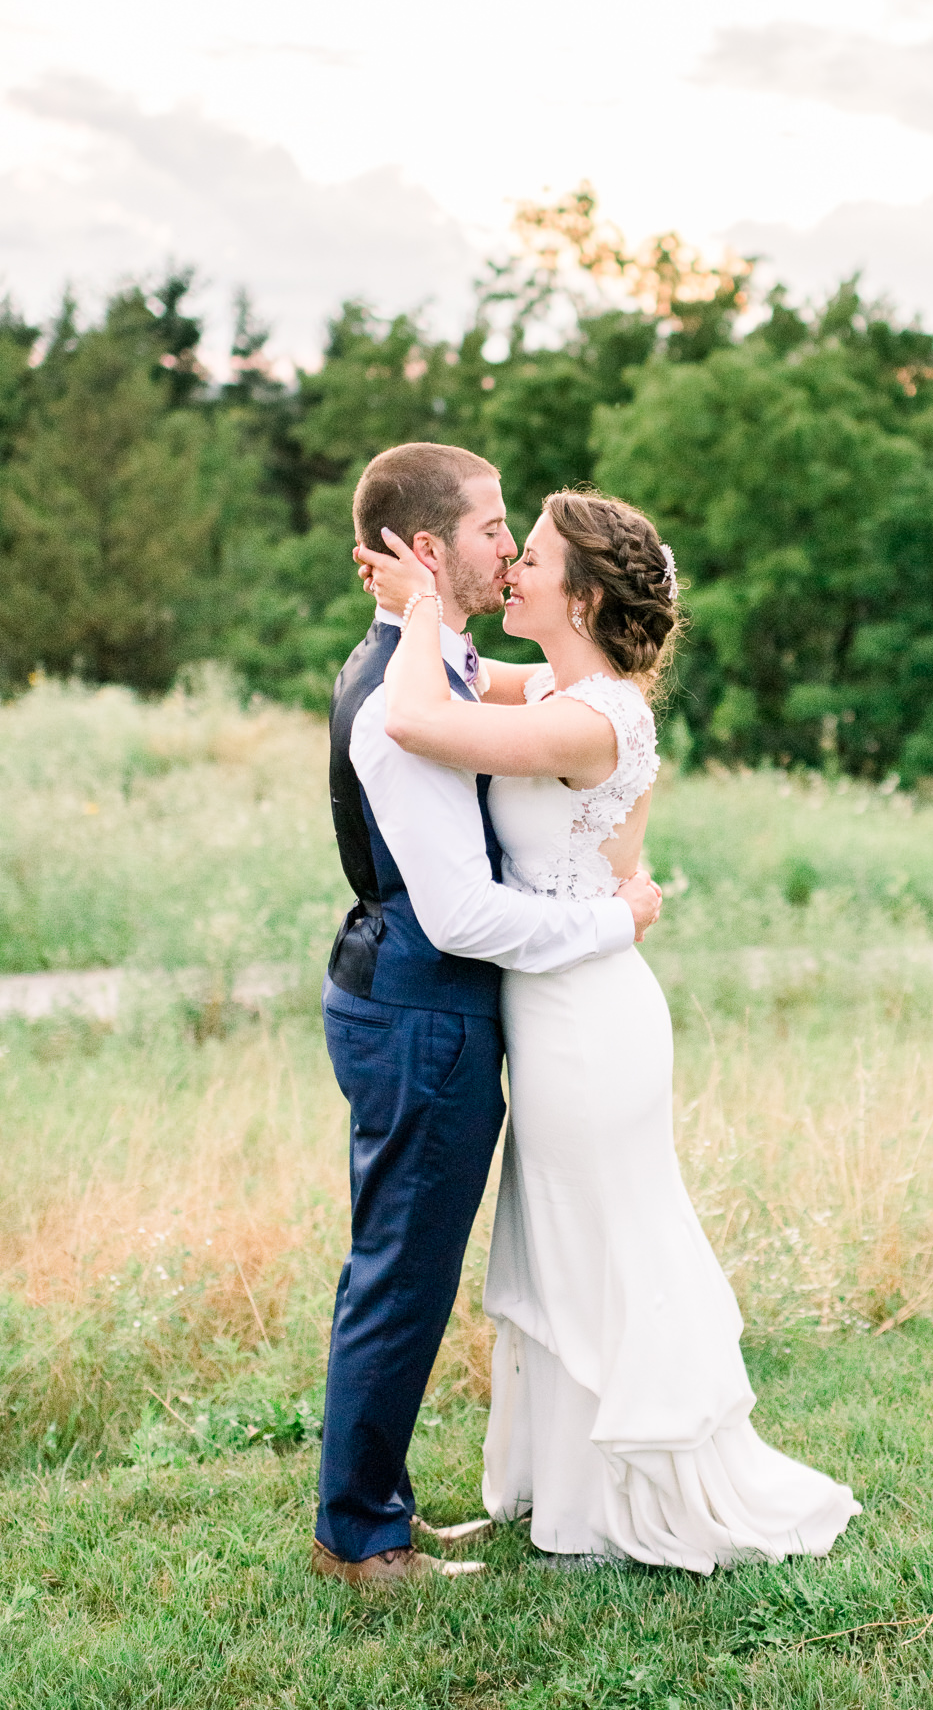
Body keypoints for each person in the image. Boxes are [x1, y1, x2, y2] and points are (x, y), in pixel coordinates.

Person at [358, 484, 860, 1572]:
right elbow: (448, 683)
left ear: (580, 597)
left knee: (602, 1246)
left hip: (587, 1024)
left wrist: (419, 610)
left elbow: (414, 716)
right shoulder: (554, 685)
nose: (510, 572)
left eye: (529, 558)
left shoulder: (595, 717)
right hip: (559, 1006)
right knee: (562, 1246)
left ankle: (647, 1489)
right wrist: (418, 609)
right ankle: (570, 1496)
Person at [312, 443, 663, 1588]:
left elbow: (558, 717)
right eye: (488, 527)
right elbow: (462, 914)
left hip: (458, 1010)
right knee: (401, 1273)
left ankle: (381, 1511)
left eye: (521, 534)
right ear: (425, 551)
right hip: (424, 1008)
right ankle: (361, 1537)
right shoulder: (395, 704)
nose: (506, 548)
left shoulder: (449, 665)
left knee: (429, 1265)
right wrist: (616, 922)